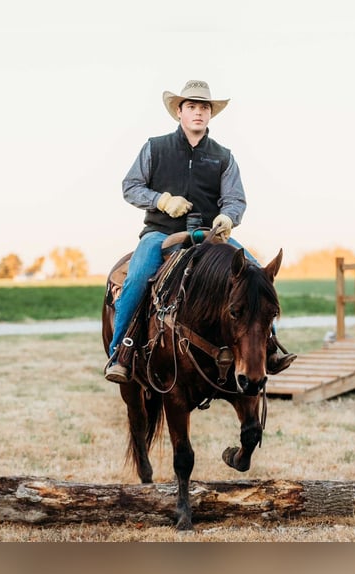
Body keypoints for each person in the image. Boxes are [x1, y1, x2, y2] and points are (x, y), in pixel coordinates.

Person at [105, 80, 295, 383]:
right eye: (191, 106)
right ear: (179, 112)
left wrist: (227, 218)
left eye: (204, 107)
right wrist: (161, 200)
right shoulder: (156, 147)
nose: (198, 112)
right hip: (160, 233)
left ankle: (270, 349)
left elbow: (235, 200)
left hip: (211, 237)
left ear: (210, 114)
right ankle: (121, 352)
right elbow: (131, 187)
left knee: (257, 273)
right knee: (138, 276)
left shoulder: (223, 156)